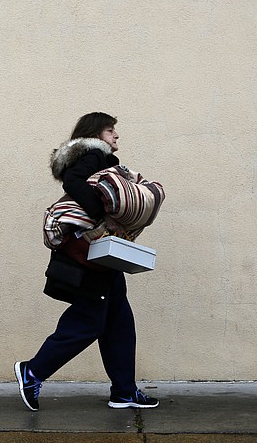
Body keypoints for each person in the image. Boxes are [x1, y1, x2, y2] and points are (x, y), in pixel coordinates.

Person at [14, 112, 159, 411]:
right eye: (110, 130)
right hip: (91, 257)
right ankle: (33, 372)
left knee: (119, 323)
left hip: (103, 258)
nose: (116, 135)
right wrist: (98, 216)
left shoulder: (100, 158)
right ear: (95, 133)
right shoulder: (94, 153)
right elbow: (73, 180)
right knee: (88, 322)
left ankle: (124, 391)